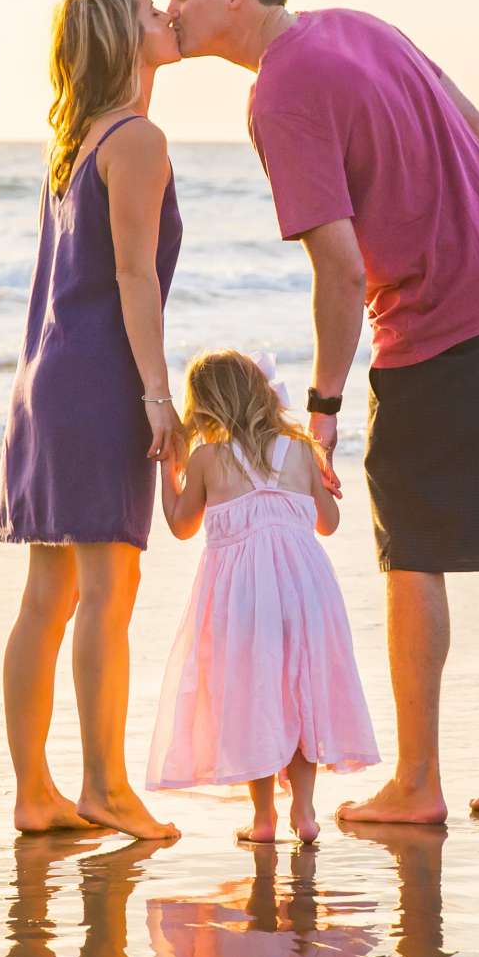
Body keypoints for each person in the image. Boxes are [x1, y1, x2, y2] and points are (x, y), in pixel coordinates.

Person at [165, 0, 479, 824]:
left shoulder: (280, 95)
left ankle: (417, 783)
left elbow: (335, 269)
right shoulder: (364, 26)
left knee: (412, 550)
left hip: (438, 326)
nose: (172, 9)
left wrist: (323, 406)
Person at [0, 0, 184, 841]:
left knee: (51, 595)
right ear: (122, 37)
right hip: (98, 384)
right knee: (109, 588)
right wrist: (159, 399)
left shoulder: (73, 139)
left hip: (47, 384)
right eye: (151, 10)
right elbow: (134, 279)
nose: (166, 17)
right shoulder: (137, 139)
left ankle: (38, 794)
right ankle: (104, 787)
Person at [147, 349, 380, 843]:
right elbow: (329, 525)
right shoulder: (299, 449)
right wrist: (319, 484)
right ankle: (305, 813)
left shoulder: (208, 458)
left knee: (256, 695)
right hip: (306, 589)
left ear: (205, 406)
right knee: (300, 692)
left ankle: (263, 820)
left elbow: (181, 526)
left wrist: (169, 476)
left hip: (244, 596)